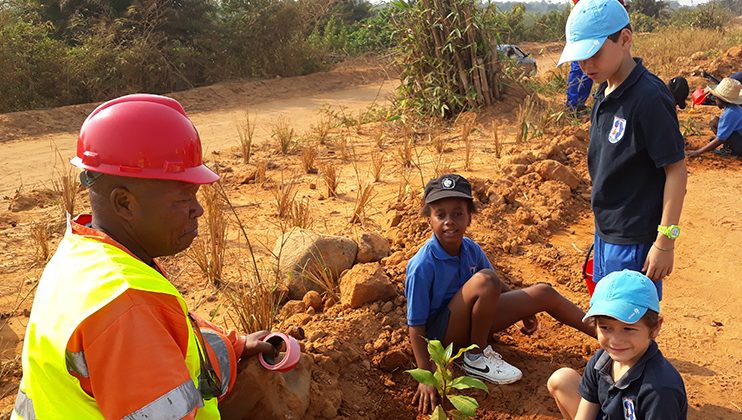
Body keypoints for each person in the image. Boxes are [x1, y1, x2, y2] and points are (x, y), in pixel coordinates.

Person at [13, 94, 274, 419]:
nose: (199, 209)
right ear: (124, 203)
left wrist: (233, 347)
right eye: (183, 198)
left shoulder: (82, 253)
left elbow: (172, 340)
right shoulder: (127, 306)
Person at [405, 174, 597, 414]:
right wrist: (426, 376)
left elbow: (498, 286)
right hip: (443, 340)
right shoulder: (423, 265)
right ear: (429, 221)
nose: (449, 221)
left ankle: (602, 334)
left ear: (469, 218)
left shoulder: (470, 249)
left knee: (542, 292)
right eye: (440, 214)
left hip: (473, 323)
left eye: (457, 213)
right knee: (485, 281)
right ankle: (476, 358)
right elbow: (415, 325)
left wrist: (523, 309)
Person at [557, 0, 687, 299]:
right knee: (607, 314)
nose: (586, 66)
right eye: (580, 58)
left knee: (630, 323)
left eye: (594, 54)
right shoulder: (604, 90)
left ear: (625, 39)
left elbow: (676, 170)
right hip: (607, 232)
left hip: (634, 241)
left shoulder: (648, 98)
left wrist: (665, 242)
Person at [547, 270, 688, 419]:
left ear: (655, 328)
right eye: (605, 328)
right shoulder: (601, 361)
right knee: (562, 379)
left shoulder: (659, 389)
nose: (615, 340)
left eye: (628, 328)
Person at [687, 77, 742, 158]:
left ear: (721, 99)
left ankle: (731, 150)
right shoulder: (735, 109)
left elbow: (721, 139)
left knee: (714, 122)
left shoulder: (730, 113)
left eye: (715, 98)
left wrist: (698, 152)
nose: (715, 101)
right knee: (715, 121)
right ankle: (730, 147)